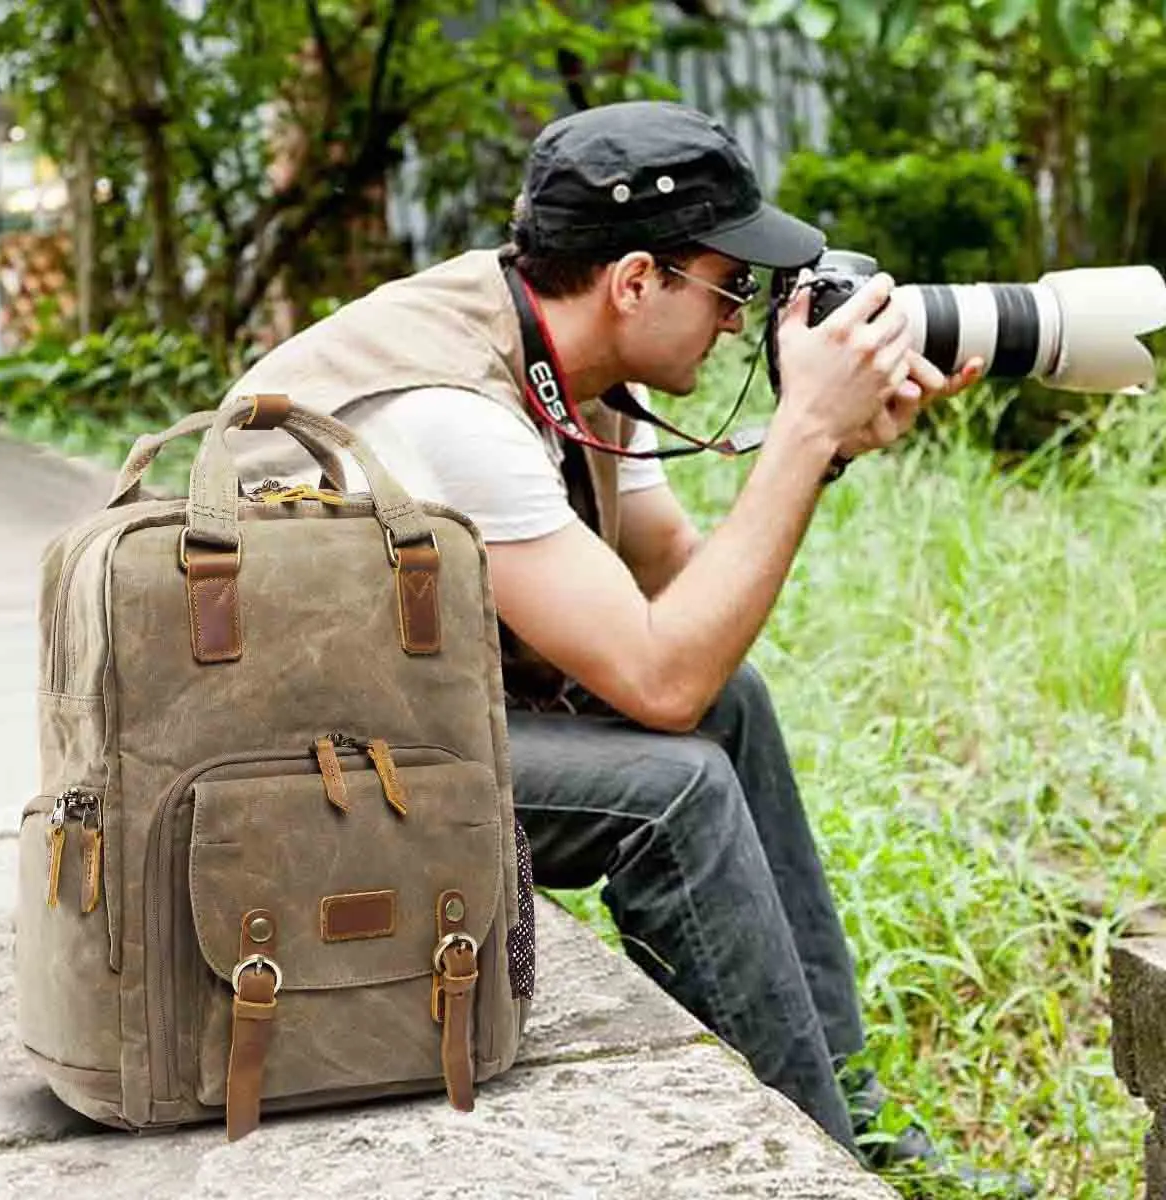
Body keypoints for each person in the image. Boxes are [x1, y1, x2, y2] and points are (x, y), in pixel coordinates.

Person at [222, 100, 1030, 1194]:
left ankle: (854, 1113)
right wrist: (797, 437)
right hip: (274, 776)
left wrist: (825, 450)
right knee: (672, 789)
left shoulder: (574, 369)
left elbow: (687, 609)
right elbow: (657, 681)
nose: (745, 317)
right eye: (729, 282)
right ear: (637, 280)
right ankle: (823, 1167)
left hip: (390, 724)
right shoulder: (455, 412)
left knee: (728, 705)